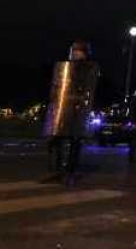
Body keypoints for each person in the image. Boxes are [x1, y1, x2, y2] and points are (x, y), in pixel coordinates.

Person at [43, 40, 99, 185]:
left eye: (78, 51)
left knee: (75, 143)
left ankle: (70, 172)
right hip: (63, 109)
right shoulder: (66, 67)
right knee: (56, 141)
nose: (75, 53)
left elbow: (88, 88)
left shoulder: (88, 68)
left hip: (78, 111)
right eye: (74, 51)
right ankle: (57, 171)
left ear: (84, 53)